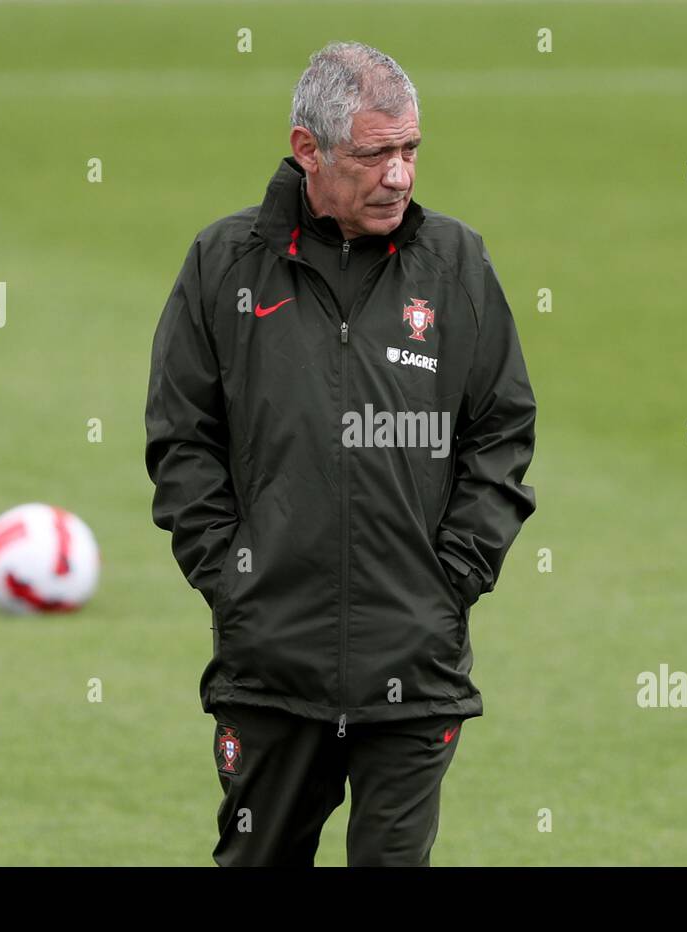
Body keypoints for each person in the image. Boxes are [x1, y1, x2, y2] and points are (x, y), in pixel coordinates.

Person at [144, 41, 537, 866]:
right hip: (272, 667)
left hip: (414, 664)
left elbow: (501, 430)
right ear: (308, 150)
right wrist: (234, 578)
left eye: (410, 151)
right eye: (375, 154)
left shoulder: (456, 264)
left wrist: (452, 579)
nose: (399, 175)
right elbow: (183, 440)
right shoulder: (225, 266)